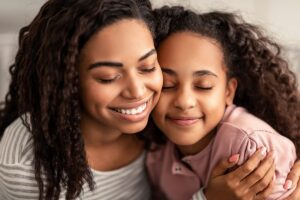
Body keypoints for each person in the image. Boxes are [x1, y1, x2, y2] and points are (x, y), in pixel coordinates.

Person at [0, 0, 299, 199]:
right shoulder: (25, 169)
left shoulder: (164, 129)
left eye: (147, 67)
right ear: (67, 81)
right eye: (107, 77)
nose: (138, 91)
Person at [146, 6, 300, 200]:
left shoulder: (251, 147)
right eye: (167, 85)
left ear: (228, 91)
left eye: (203, 85)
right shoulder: (156, 157)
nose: (184, 102)